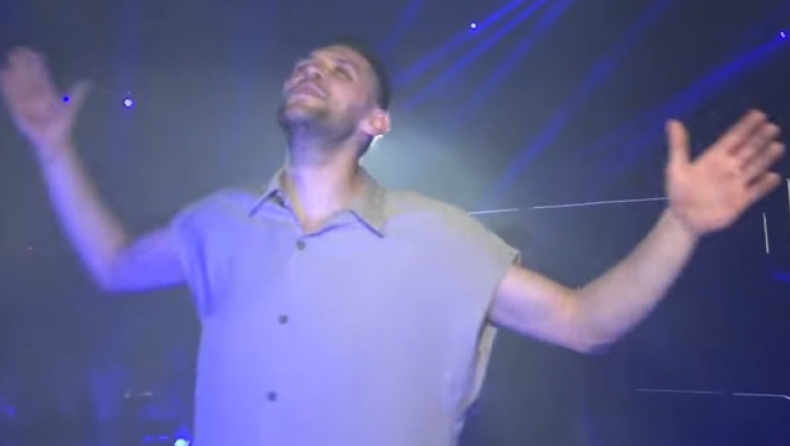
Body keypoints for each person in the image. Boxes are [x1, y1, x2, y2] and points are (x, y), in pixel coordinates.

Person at [0, 40, 784, 446]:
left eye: (340, 70)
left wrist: (681, 224)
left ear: (376, 122)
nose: (312, 69)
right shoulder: (219, 222)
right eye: (306, 64)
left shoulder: (437, 234)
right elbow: (114, 264)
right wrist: (52, 150)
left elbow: (584, 323)